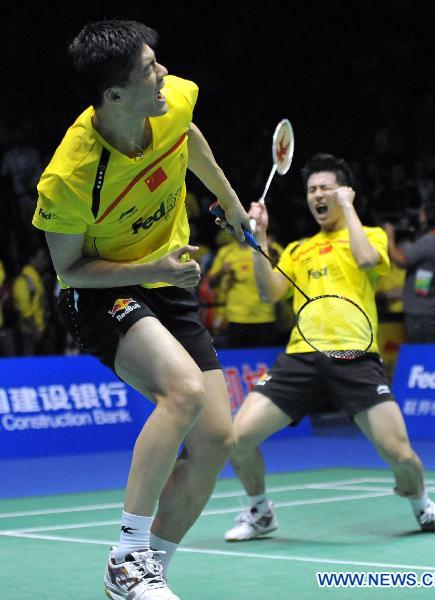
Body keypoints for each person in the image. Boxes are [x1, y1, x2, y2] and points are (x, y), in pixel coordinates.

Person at [32, 20, 251, 600]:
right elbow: (69, 270)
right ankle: (127, 556)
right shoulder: (70, 178)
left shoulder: (169, 100)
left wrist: (232, 208)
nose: (165, 76)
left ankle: (142, 571)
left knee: (215, 442)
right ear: (113, 96)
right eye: (151, 69)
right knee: (182, 391)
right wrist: (151, 272)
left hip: (167, 281)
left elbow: (189, 138)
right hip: (103, 291)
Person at [219, 153, 435, 542]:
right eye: (312, 189)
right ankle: (260, 511)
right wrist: (258, 239)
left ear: (344, 192)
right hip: (300, 357)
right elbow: (270, 294)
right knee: (237, 438)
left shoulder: (370, 237)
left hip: (355, 357)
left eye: (326, 188)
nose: (318, 195)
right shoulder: (298, 250)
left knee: (400, 455)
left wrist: (349, 207)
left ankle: (423, 506)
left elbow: (368, 261)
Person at [385, 202, 435, 343]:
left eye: (422, 214)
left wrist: (389, 237)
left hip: (423, 313)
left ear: (431, 216)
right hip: (433, 307)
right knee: (432, 354)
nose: (419, 218)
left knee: (425, 355)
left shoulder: (431, 241)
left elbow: (401, 260)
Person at [207, 233, 283, 347]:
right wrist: (222, 271)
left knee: (266, 359)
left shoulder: (270, 246)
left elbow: (286, 272)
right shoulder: (226, 252)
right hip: (236, 317)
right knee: (238, 358)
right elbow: (211, 282)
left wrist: (271, 250)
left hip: (265, 315)